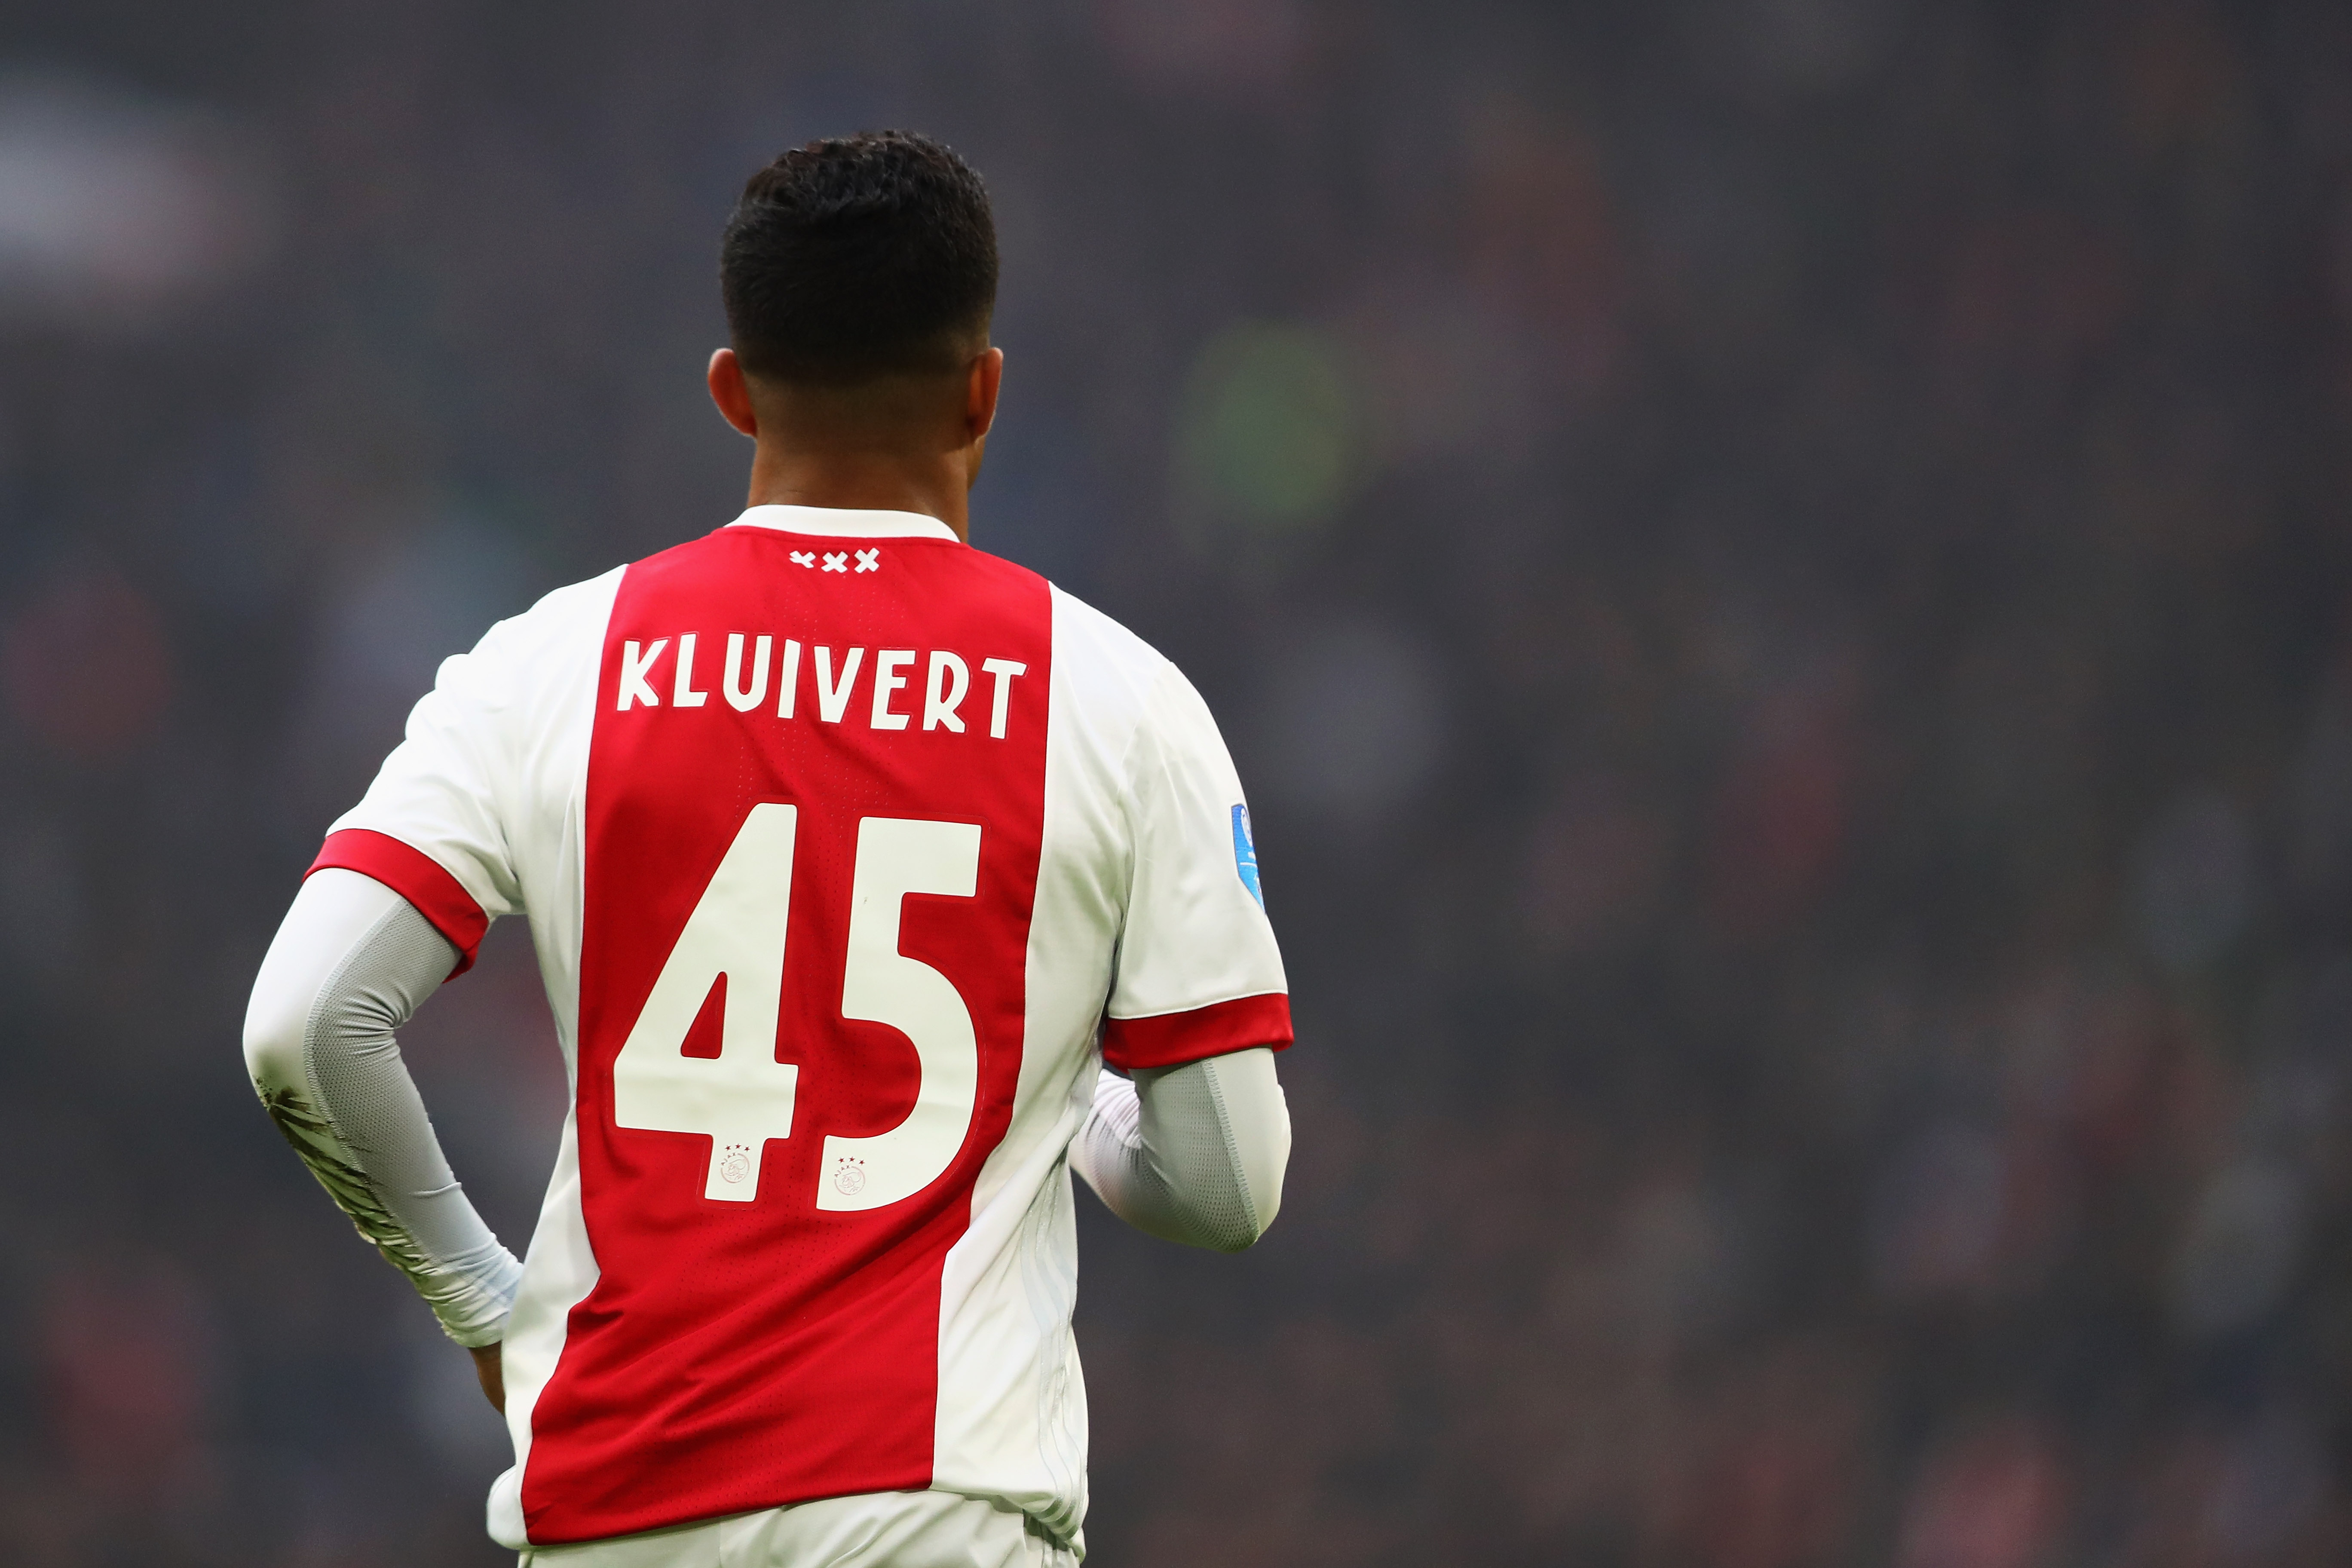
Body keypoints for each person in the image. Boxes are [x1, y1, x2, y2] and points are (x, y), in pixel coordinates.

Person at [240, 131, 1293, 1567]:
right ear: (985, 392)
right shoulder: (1118, 702)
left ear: (734, 393)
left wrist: (485, 1304)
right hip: (934, 1513)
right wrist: (1076, 1103)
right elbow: (1227, 1184)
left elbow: (306, 1025)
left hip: (616, 1508)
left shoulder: (551, 662)